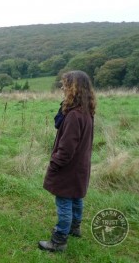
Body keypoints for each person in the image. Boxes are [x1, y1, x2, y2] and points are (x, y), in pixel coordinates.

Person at [38, 70, 96, 252]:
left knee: (64, 201)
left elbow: (67, 148)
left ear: (73, 88)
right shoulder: (86, 111)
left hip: (68, 168)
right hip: (80, 166)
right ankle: (74, 228)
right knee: (76, 198)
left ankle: (58, 241)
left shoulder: (73, 116)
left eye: (65, 84)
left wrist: (54, 164)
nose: (62, 87)